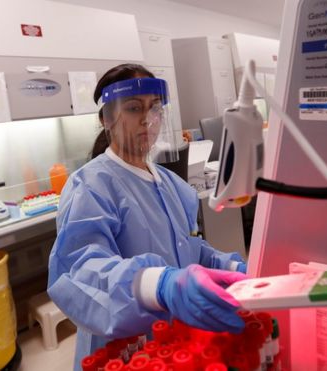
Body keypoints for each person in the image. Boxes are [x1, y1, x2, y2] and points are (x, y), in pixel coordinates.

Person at [47, 64, 248, 369]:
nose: (147, 119)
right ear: (106, 119)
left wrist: (232, 267)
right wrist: (158, 284)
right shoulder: (90, 185)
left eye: (154, 107)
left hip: (174, 343)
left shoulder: (171, 184)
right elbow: (81, 270)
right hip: (124, 348)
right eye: (133, 108)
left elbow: (189, 250)